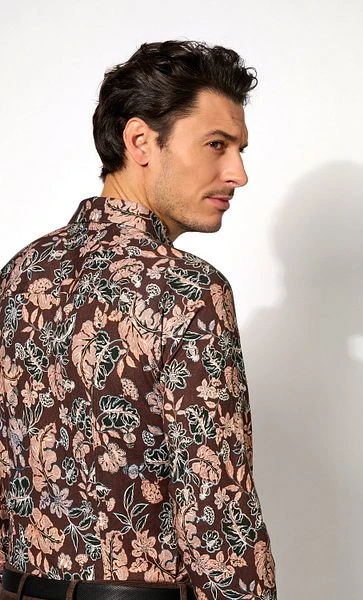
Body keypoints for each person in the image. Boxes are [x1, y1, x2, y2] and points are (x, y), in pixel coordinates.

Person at [0, 40, 276, 600]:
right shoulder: (188, 288)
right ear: (141, 141)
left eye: (240, 149)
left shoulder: (21, 273)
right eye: (217, 145)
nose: (239, 173)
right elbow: (219, 514)